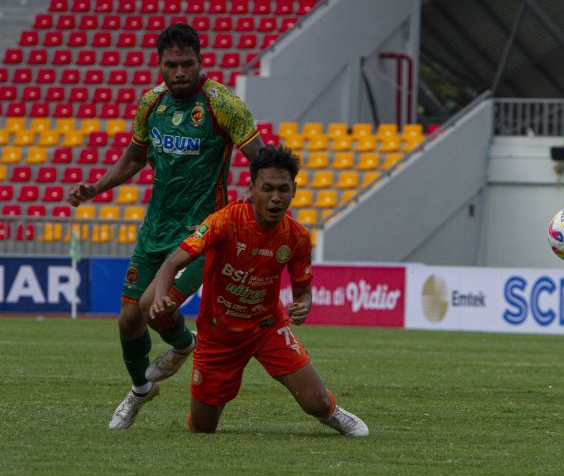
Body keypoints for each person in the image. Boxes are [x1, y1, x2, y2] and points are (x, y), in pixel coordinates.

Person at [66, 23, 265, 429]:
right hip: (155, 229)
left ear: (200, 62)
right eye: (171, 65)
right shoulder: (151, 104)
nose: (179, 72)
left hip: (201, 231)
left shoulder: (223, 104)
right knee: (127, 320)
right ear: (159, 64)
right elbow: (135, 158)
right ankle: (141, 389)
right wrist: (95, 188)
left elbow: (260, 160)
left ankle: (181, 344)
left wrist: (254, 204)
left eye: (186, 64)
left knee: (151, 308)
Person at [150, 146, 369, 436]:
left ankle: (332, 412)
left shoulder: (297, 237)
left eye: (283, 189)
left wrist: (304, 304)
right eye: (267, 188)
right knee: (203, 429)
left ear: (294, 190)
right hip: (218, 335)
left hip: (266, 328)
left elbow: (304, 291)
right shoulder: (224, 221)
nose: (276, 198)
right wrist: (160, 296)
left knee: (316, 402)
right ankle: (213, 394)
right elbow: (172, 263)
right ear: (252, 188)